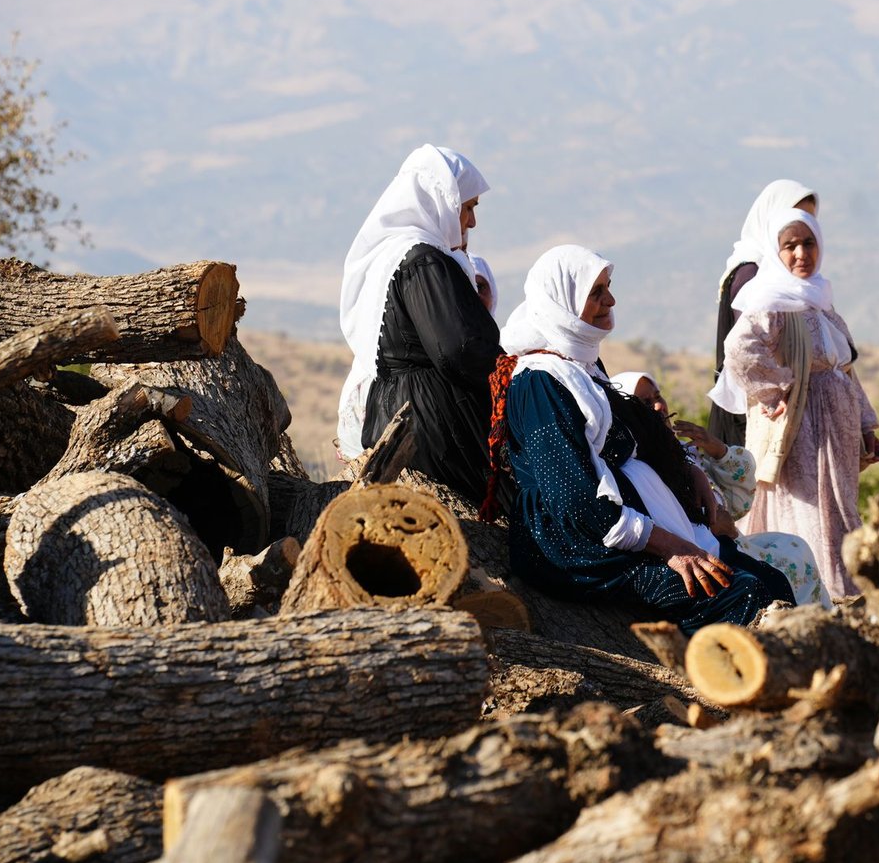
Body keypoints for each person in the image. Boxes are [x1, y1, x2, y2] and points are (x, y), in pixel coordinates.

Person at [494, 245, 795, 632]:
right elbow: (573, 500)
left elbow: (637, 433)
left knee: (772, 583)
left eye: (608, 287)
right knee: (743, 594)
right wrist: (671, 546)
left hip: (628, 528)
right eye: (595, 293)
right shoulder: (540, 383)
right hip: (580, 545)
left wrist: (689, 473)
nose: (610, 300)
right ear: (562, 303)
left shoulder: (581, 366)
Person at [714, 209, 879, 601]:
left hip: (835, 425)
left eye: (808, 244)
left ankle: (845, 589)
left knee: (837, 504)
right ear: (776, 252)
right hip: (801, 427)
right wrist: (777, 389)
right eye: (789, 246)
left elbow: (845, 369)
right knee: (807, 506)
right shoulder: (770, 300)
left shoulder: (820, 300)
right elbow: (739, 350)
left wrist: (865, 426)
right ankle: (817, 592)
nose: (801, 254)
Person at [337, 144, 502, 504]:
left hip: (399, 413)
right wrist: (510, 373)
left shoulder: (394, 256)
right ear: (439, 200)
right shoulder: (423, 261)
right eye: (468, 207)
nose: (471, 221)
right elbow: (459, 348)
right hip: (432, 424)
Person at [611, 370, 830, 607]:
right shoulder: (643, 465)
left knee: (793, 545)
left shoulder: (685, 452)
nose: (658, 406)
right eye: (645, 402)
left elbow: (740, 502)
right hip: (712, 552)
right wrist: (712, 525)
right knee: (788, 567)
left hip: (735, 543)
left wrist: (718, 450)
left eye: (657, 396)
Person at [708, 179, 818, 447]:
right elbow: (746, 349)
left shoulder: (784, 277)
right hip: (752, 417)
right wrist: (774, 391)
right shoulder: (752, 275)